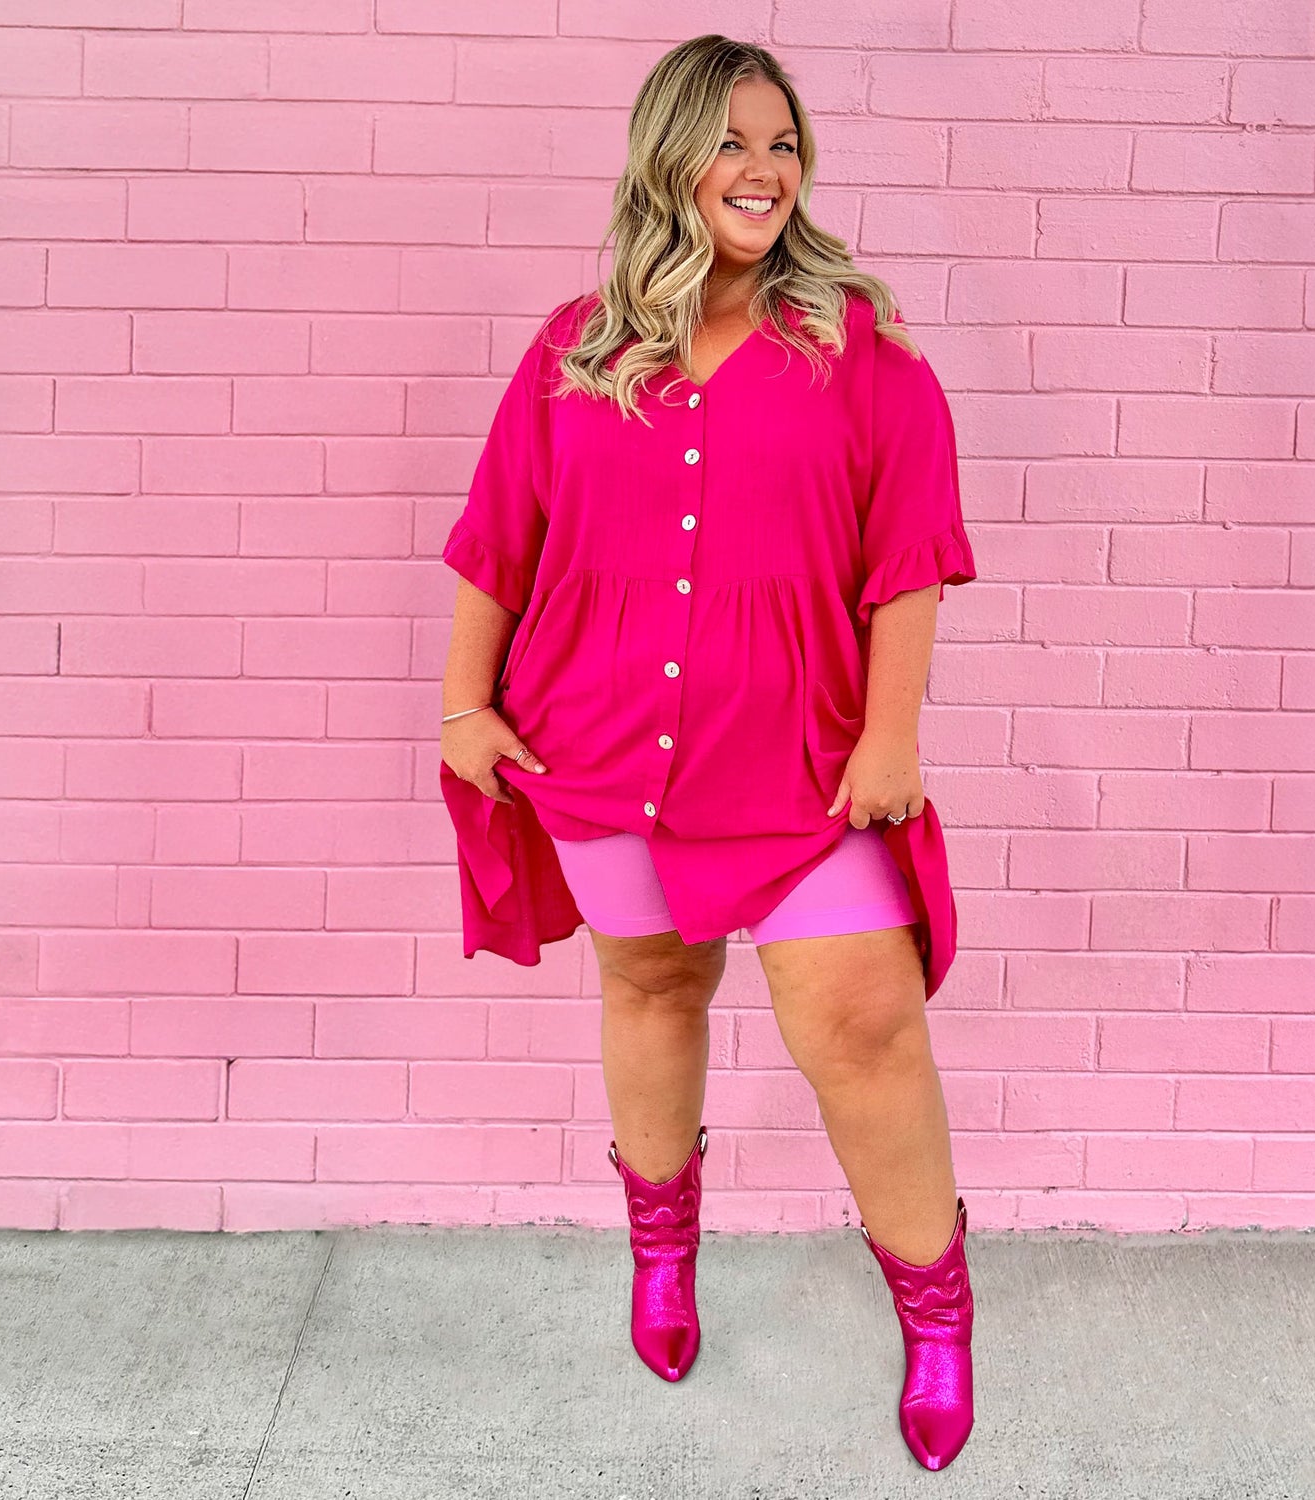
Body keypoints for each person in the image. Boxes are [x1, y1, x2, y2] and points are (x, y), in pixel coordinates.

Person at [438, 35, 978, 1473]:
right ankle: (662, 1256)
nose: (761, 170)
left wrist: (893, 734)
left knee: (861, 1022)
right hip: (601, 738)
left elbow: (909, 561)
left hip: (804, 757)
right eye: (731, 141)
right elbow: (501, 536)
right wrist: (463, 704)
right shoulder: (576, 347)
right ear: (667, 158)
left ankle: (937, 1316)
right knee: (651, 985)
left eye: (782, 144)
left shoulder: (863, 353)